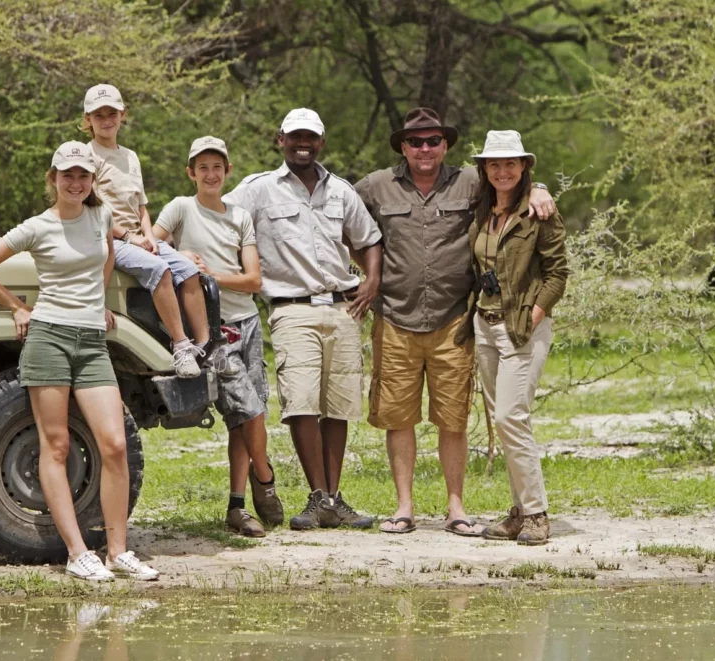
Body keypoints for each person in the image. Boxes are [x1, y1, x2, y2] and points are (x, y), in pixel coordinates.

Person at [355, 108, 556, 536]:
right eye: (416, 142)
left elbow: (513, 186)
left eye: (433, 141)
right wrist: (369, 272)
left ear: (446, 145)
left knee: (453, 418)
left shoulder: (470, 182)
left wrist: (540, 187)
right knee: (398, 417)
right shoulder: (375, 185)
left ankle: (456, 508)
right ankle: (404, 508)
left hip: (456, 321)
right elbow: (341, 216)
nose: (425, 149)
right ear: (403, 147)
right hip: (395, 317)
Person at [0, 141, 159, 581]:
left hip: (92, 343)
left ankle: (117, 552)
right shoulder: (37, 227)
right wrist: (17, 307)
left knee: (115, 444)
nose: (75, 182)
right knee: (56, 446)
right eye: (67, 174)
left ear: (92, 180)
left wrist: (100, 301)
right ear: (53, 178)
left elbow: (107, 257)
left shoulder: (101, 216)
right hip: (48, 338)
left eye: (83, 175)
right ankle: (76, 553)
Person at [224, 108, 383, 531]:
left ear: (321, 142)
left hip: (343, 307)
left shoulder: (341, 191)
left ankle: (334, 499)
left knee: (338, 405)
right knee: (301, 403)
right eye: (295, 136)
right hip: (291, 307)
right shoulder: (258, 189)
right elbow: (219, 216)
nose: (303, 144)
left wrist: (371, 282)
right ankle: (318, 496)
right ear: (281, 140)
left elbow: (369, 238)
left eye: (310, 137)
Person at [153, 136, 282, 537]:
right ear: (191, 173)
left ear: (228, 172)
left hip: (249, 323)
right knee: (250, 412)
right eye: (203, 168)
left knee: (247, 417)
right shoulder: (180, 208)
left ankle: (237, 506)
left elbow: (253, 280)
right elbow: (151, 243)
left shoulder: (240, 216)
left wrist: (212, 275)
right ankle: (265, 478)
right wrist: (179, 257)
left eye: (217, 167)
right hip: (212, 328)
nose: (211, 174)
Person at [81, 83, 229, 378]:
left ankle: (206, 348)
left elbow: (141, 207)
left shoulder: (130, 157)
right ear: (88, 120)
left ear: (123, 114)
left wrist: (148, 236)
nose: (106, 120)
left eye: (112, 113)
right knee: (159, 269)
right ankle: (181, 346)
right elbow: (94, 209)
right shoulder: (87, 155)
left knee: (189, 270)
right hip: (108, 238)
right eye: (99, 115)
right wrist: (129, 237)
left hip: (137, 236)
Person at [467, 130, 568, 545]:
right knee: (503, 421)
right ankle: (519, 512)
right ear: (484, 168)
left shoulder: (539, 210)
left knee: (511, 417)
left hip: (521, 328)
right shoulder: (481, 207)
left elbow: (558, 273)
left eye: (510, 163)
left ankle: (536, 514)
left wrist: (533, 315)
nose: (502, 170)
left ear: (524, 165)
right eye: (494, 163)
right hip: (485, 325)